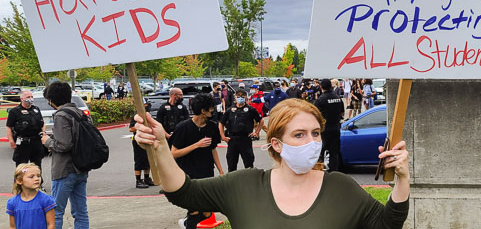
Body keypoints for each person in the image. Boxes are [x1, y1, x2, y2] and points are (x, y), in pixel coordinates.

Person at [133, 98, 410, 228]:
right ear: (276, 143)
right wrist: (160, 148)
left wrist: (402, 178)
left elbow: (387, 224)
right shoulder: (244, 185)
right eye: (299, 134)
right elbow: (182, 191)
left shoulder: (340, 187)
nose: (311, 142)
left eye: (315, 133)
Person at [169, 93, 224, 229]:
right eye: (210, 108)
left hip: (206, 172)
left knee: (206, 211)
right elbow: (174, 154)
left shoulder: (212, 127)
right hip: (188, 173)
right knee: (193, 209)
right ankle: (189, 224)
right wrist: (196, 145)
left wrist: (221, 170)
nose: (213, 110)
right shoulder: (183, 127)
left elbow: (213, 150)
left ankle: (187, 223)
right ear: (203, 110)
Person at [40, 82, 90, 229]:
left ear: (51, 100)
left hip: (64, 170)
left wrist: (47, 141)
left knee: (55, 211)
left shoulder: (61, 115)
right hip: (81, 167)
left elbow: (64, 145)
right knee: (81, 212)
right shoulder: (80, 113)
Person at [6, 90, 46, 183]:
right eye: (28, 97)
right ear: (22, 98)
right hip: (23, 142)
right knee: (22, 167)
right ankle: (19, 185)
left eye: (31, 96)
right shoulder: (15, 111)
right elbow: (9, 127)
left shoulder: (36, 109)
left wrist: (43, 132)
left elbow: (42, 124)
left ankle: (38, 184)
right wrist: (11, 141)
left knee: (37, 165)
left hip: (36, 142)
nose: (30, 99)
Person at [219, 90, 262, 172]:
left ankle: (249, 181)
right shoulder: (230, 110)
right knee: (231, 164)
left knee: (249, 164)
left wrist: (256, 132)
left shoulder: (250, 109)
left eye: (242, 97)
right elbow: (221, 123)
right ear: (235, 98)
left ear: (246, 98)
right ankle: (232, 182)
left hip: (246, 138)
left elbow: (261, 121)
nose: (240, 99)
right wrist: (223, 136)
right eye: (238, 97)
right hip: (232, 139)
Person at [6, 163, 55, 229]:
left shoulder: (46, 200)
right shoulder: (12, 203)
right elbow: (12, 226)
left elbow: (51, 225)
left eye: (38, 176)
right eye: (31, 177)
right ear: (19, 181)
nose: (37, 179)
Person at [314, 79, 345, 172]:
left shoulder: (320, 99)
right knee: (334, 153)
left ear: (321, 87)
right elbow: (342, 113)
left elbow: (314, 114)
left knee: (320, 153)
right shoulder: (338, 98)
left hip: (324, 130)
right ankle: (334, 173)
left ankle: (319, 172)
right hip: (335, 128)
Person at [130, 100, 155, 189]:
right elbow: (131, 129)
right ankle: (138, 180)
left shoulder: (148, 115)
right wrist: (138, 127)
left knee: (148, 160)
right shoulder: (137, 116)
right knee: (139, 160)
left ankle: (147, 178)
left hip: (148, 139)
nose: (147, 106)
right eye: (145, 105)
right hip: (138, 140)